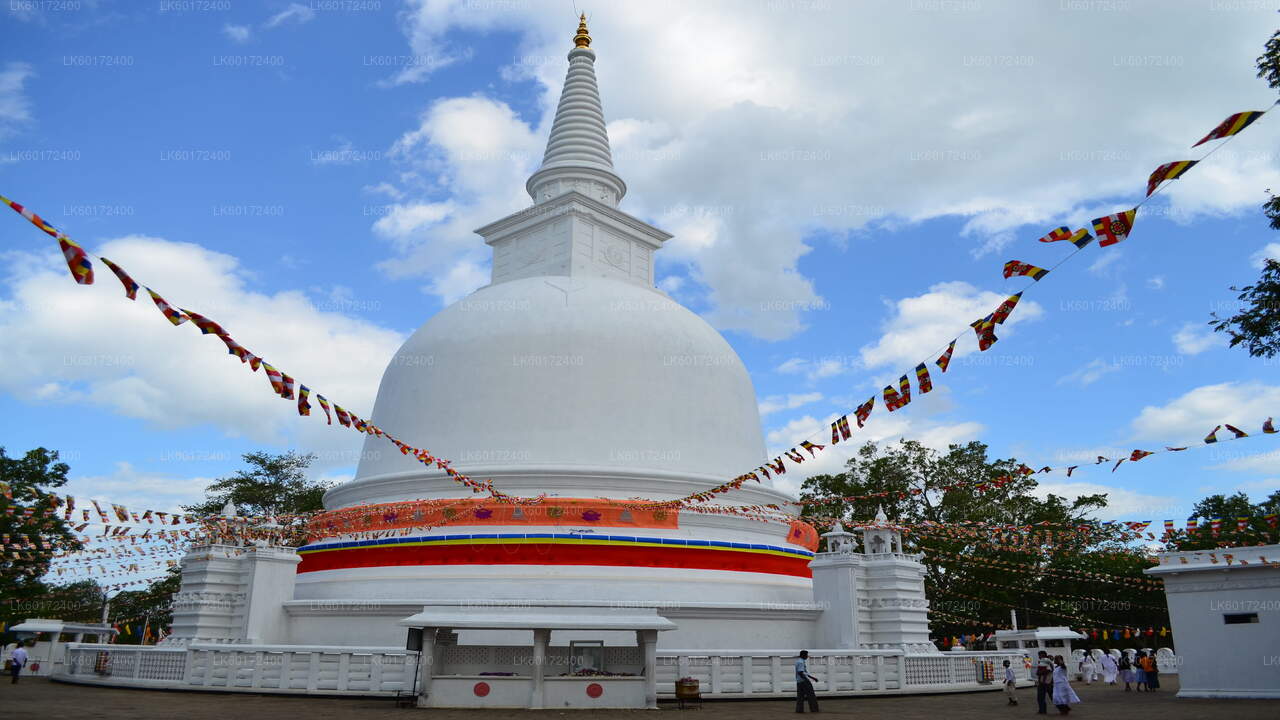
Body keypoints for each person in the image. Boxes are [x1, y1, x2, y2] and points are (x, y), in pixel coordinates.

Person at [1035, 650, 1054, 715]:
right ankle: (1062, 707)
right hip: (1047, 682)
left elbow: (1047, 671)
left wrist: (1040, 672)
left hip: (1045, 682)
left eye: (1039, 655)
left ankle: (1042, 710)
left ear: (1043, 655)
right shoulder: (1046, 661)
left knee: (1041, 697)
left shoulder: (1046, 661)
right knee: (1051, 696)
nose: (1039, 657)